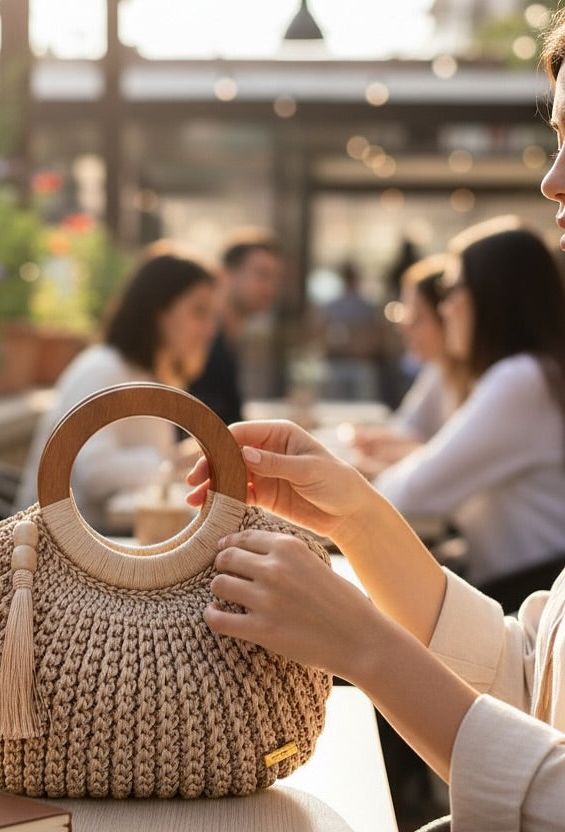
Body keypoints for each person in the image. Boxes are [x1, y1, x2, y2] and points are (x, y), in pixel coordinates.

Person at [183, 15, 565, 828]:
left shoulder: (520, 379)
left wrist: (362, 644)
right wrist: (356, 518)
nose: (552, 182)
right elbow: (533, 678)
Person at [367, 220, 565, 586]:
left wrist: (337, 483)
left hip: (526, 596)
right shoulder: (533, 372)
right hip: (525, 588)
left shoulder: (521, 379)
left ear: (496, 295)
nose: (445, 308)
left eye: (453, 289)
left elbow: (412, 494)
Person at [15, 243, 217, 532]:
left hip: (101, 544)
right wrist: (171, 462)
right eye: (199, 311)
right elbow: (94, 472)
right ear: (158, 309)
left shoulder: (144, 375)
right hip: (55, 555)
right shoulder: (103, 369)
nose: (209, 328)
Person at [350, 254, 467, 477]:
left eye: (416, 317)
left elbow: (446, 468)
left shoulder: (499, 378)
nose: (403, 326)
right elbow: (407, 430)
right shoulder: (438, 371)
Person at [187, 230, 283, 425]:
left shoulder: (230, 340)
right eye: (261, 275)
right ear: (225, 275)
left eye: (274, 279)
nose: (270, 289)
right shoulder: (204, 340)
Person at [316, 261, 387, 401]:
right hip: (338, 363)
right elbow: (321, 334)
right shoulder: (333, 306)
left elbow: (375, 335)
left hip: (359, 364)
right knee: (334, 404)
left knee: (362, 404)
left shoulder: (365, 306)